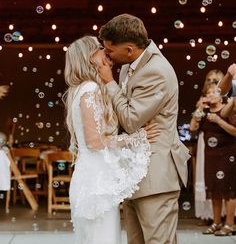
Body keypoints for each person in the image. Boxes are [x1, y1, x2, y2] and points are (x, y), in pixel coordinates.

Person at [97, 13, 191, 244]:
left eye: (109, 50)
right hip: (134, 171)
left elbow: (130, 119)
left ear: (129, 49)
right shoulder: (127, 67)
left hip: (155, 174)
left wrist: (109, 83)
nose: (107, 55)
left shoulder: (156, 70)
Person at [64, 36, 160, 244]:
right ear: (90, 57)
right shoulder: (90, 90)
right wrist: (135, 138)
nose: (105, 51)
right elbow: (95, 142)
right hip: (95, 185)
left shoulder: (81, 90)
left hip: (93, 179)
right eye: (100, 48)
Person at [190, 83, 236, 236]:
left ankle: (229, 224)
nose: (210, 96)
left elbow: (235, 131)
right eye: (208, 94)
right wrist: (199, 109)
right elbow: (193, 128)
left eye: (214, 93)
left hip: (228, 155)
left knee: (228, 190)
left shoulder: (228, 109)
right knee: (214, 189)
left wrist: (218, 120)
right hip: (211, 156)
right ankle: (216, 222)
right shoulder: (205, 112)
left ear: (221, 94)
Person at [192, 69, 224, 222]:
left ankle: (225, 215)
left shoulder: (227, 100)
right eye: (209, 79)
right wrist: (199, 108)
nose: (212, 82)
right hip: (206, 142)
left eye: (216, 79)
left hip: (223, 142)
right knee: (206, 178)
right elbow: (193, 127)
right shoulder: (203, 101)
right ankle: (209, 215)